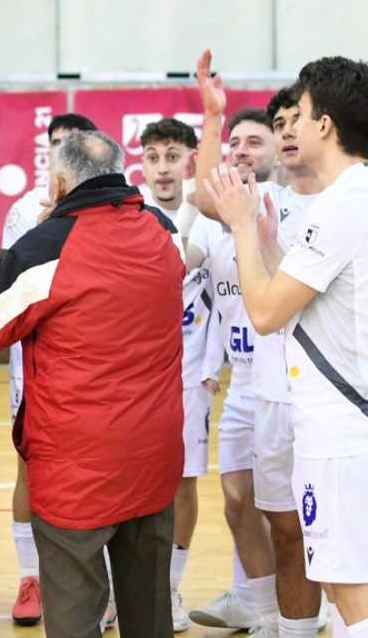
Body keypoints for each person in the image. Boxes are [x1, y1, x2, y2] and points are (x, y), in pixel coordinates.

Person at [204, 54, 368, 638]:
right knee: (361, 593)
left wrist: (244, 228)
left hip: (351, 431)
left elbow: (267, 313)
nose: (289, 127)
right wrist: (270, 247)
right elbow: (306, 301)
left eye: (297, 114)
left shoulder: (344, 204)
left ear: (324, 125)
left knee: (359, 601)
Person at [0, 130, 185, 638]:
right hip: (154, 454)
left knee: (74, 619)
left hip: (78, 467)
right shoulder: (163, 229)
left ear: (58, 181)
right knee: (151, 615)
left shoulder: (47, 246)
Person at [193, 64, 327, 638]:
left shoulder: (350, 199)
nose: (285, 132)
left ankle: (344, 616)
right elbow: (205, 197)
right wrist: (214, 114)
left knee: (322, 523)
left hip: (326, 393)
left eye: (289, 123)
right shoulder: (259, 200)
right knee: (270, 514)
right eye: (279, 121)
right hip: (263, 387)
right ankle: (273, 614)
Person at [0, 111, 98, 628]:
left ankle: (93, 579)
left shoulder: (110, 210)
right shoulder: (23, 210)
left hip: (92, 371)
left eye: (73, 144)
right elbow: (20, 287)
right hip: (34, 369)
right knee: (28, 470)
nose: (63, 152)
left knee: (96, 471)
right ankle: (30, 575)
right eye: (55, 144)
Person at [189, 104, 281, 632]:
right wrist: (212, 116)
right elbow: (190, 235)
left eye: (254, 143)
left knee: (285, 514)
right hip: (241, 385)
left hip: (286, 386)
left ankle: (295, 613)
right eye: (235, 143)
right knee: (236, 501)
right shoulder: (219, 226)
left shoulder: (285, 204)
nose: (242, 151)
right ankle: (259, 607)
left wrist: (214, 116)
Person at [139, 117, 215, 632]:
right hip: (135, 376)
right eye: (153, 157)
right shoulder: (129, 214)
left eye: (172, 156)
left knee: (182, 484)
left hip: (189, 374)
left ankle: (169, 584)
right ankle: (120, 590)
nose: (162, 168)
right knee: (130, 481)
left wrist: (213, 368)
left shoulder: (209, 218)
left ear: (191, 159)